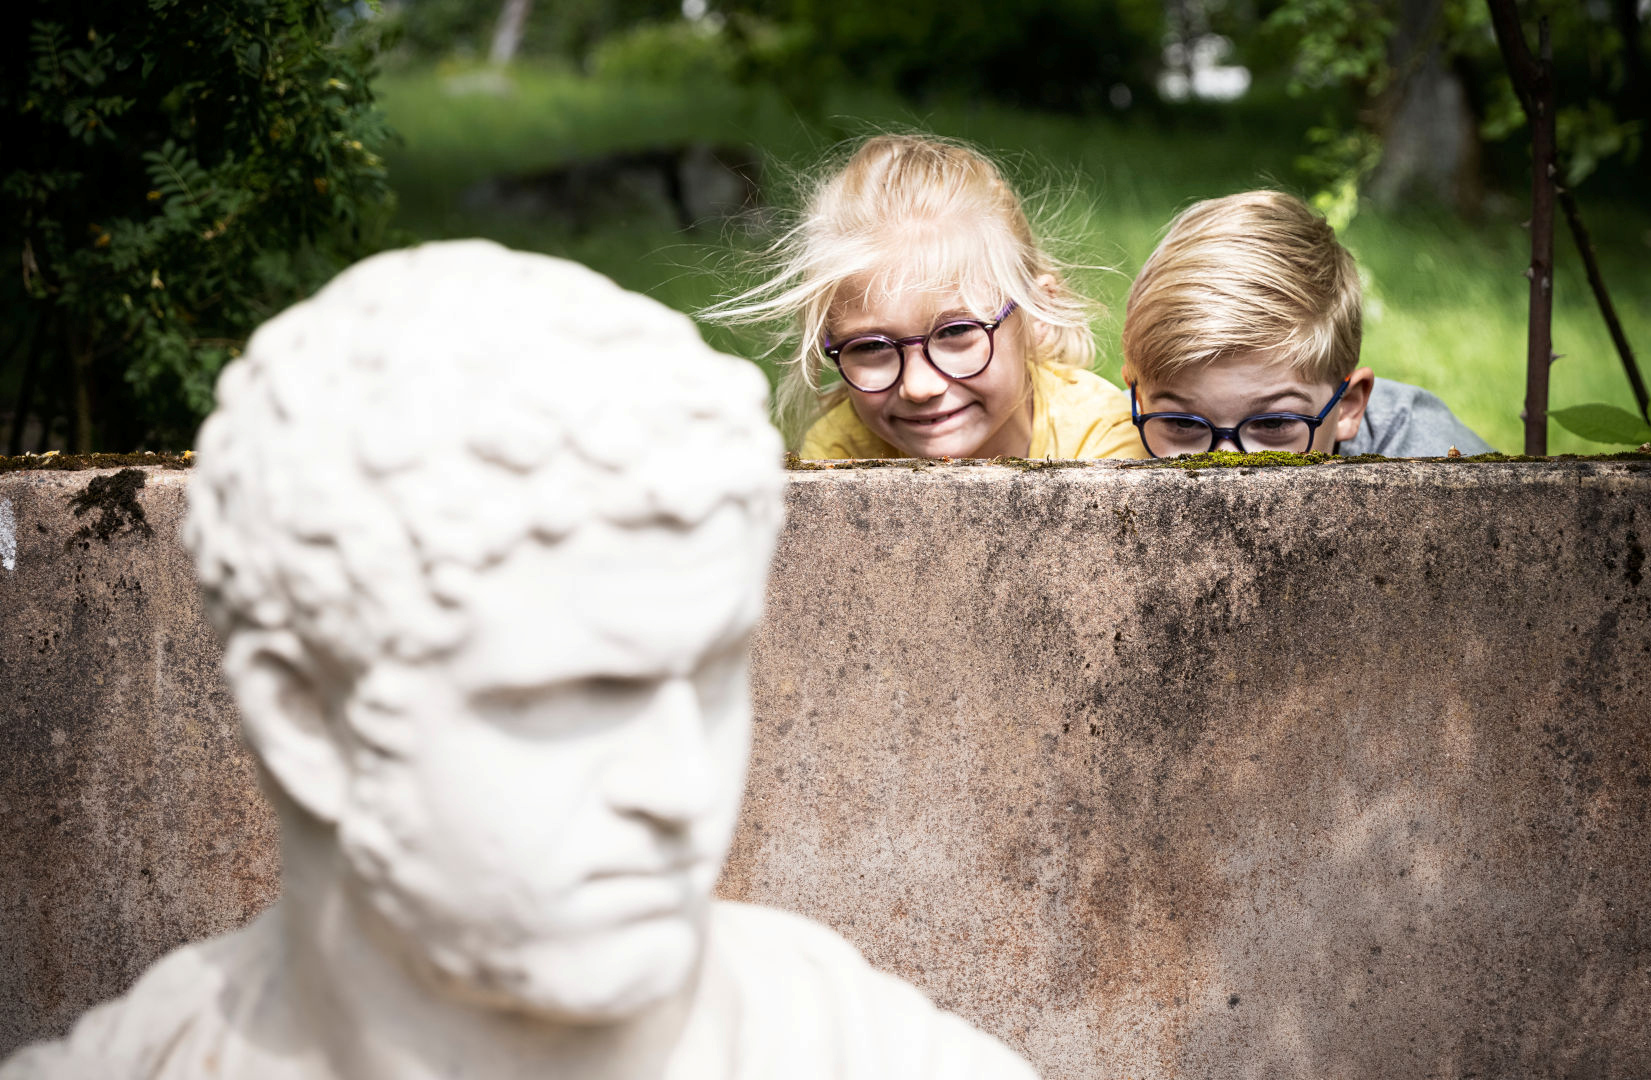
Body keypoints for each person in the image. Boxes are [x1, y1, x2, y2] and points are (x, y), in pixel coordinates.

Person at [0, 240, 1036, 1080]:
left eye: (715, 678)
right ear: (307, 717)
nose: (686, 790)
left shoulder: (850, 1050)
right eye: (576, 698)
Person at [711, 134, 1146, 461]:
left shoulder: (1104, 439)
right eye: (869, 347)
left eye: (957, 331)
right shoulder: (842, 449)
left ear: (1039, 313)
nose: (919, 387)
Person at [1122, 190, 1493, 459]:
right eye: (1183, 424)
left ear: (1347, 405)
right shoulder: (1109, 437)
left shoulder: (1433, 464)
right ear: (1137, 399)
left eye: (1273, 424)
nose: (1224, 465)